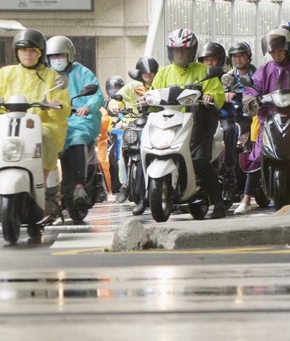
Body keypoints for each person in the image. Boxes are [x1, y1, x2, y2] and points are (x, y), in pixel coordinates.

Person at [0, 29, 71, 196]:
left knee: (46, 137)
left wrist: (55, 104)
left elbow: (62, 104)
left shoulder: (51, 76)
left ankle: (42, 184)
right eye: (23, 50)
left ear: (40, 53)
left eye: (33, 50)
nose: (28, 54)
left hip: (40, 124)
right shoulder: (6, 73)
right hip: (8, 123)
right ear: (17, 52)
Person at [152, 28, 227, 219]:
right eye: (176, 50)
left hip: (198, 123)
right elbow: (152, 93)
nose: (179, 54)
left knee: (199, 161)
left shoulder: (204, 71)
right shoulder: (163, 73)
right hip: (171, 123)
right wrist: (146, 101)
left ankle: (218, 203)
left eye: (183, 51)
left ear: (192, 52)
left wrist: (210, 96)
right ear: (170, 51)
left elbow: (217, 94)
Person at [242, 28, 290, 212]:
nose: (276, 55)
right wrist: (250, 99)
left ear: (288, 48)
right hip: (271, 122)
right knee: (257, 154)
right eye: (272, 52)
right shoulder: (265, 70)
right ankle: (246, 198)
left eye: (279, 51)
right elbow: (252, 88)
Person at [45, 35, 104, 207]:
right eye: (53, 57)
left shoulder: (82, 72)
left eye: (60, 56)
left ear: (69, 55)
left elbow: (97, 95)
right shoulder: (47, 76)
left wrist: (87, 106)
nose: (57, 60)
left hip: (80, 119)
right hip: (56, 119)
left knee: (77, 136)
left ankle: (79, 185)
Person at [108, 56, 160, 214]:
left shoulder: (161, 84)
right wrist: (116, 106)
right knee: (123, 152)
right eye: (145, 73)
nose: (148, 76)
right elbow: (116, 99)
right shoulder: (133, 87)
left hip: (156, 124)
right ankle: (124, 185)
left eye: (151, 73)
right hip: (134, 125)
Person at [225, 42, 259, 215]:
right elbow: (220, 92)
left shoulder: (258, 73)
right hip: (235, 118)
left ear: (248, 56)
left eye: (241, 55)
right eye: (234, 56)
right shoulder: (228, 77)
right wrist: (226, 94)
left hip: (253, 117)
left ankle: (250, 191)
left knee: (249, 148)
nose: (238, 59)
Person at [197, 42, 237, 181]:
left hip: (222, 116)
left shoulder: (226, 77)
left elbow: (236, 89)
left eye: (213, 59)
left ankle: (228, 168)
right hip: (199, 117)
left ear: (220, 60)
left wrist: (230, 94)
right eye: (206, 59)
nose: (209, 63)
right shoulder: (197, 76)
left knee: (229, 130)